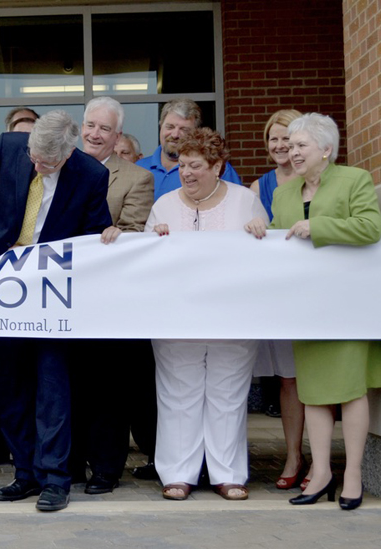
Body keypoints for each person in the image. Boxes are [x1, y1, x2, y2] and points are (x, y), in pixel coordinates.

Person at [0, 111, 112, 512]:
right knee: (12, 387)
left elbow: (93, 234)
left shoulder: (90, 174)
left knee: (53, 388)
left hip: (54, 293)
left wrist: (110, 234)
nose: (37, 165)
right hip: (5, 287)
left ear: (70, 152)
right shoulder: (9, 147)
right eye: (35, 157)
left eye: (48, 162)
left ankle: (56, 479)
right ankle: (26, 474)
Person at [245, 113, 381, 511]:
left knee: (350, 390)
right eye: (289, 145)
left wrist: (318, 227)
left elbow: (370, 227)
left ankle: (353, 474)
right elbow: (277, 237)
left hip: (349, 305)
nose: (291, 151)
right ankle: (321, 472)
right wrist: (260, 225)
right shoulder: (283, 194)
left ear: (326, 150)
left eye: (300, 145)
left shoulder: (354, 179)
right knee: (314, 392)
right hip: (305, 307)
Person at [142, 127, 267, 502]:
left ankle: (227, 474)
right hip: (176, 317)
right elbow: (144, 262)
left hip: (233, 316)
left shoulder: (245, 201)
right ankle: (178, 473)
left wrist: (260, 231)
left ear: (218, 166)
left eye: (196, 165)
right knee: (178, 393)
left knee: (227, 393)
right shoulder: (164, 205)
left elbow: (267, 258)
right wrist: (155, 237)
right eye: (181, 165)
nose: (186, 173)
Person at [70, 96, 157, 494]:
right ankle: (69, 466)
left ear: (117, 134)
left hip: (110, 300)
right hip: (65, 297)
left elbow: (135, 229)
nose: (95, 134)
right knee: (69, 386)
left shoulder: (136, 178)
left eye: (105, 128)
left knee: (108, 389)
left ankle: (106, 469)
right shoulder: (62, 166)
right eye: (90, 125)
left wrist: (119, 235)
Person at [248, 108, 307, 491]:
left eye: (288, 138)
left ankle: (298, 455)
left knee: (296, 378)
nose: (281, 145)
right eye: (274, 138)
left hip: (304, 293)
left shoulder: (315, 181)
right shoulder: (258, 187)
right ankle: (292, 454)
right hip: (266, 293)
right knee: (276, 377)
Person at [137, 98, 242, 200]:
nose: (175, 134)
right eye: (170, 127)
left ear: (196, 132)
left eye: (184, 129)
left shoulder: (215, 167)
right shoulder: (138, 168)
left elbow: (236, 205)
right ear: (160, 126)